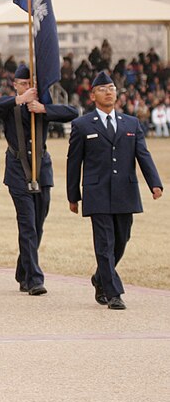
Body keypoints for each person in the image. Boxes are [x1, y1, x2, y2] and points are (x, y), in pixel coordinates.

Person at [66, 72, 163, 310]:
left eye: (111, 88)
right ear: (92, 95)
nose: (108, 92)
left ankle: (100, 277)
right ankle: (113, 292)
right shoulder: (82, 125)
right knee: (104, 244)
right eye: (102, 89)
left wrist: (155, 183)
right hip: (96, 192)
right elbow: (74, 162)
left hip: (125, 192)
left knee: (122, 239)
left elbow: (143, 155)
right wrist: (73, 196)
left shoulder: (131, 123)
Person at [0, 64, 78, 295]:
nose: (29, 88)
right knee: (27, 225)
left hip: (42, 170)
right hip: (18, 170)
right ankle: (34, 278)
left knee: (38, 224)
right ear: (16, 85)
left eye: (32, 84)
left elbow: (72, 112)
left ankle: (23, 270)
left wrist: (43, 109)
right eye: (24, 84)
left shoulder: (42, 104)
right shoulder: (11, 106)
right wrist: (18, 100)